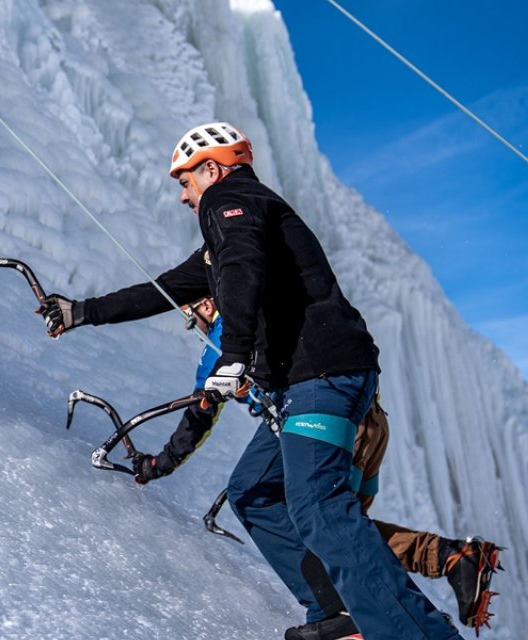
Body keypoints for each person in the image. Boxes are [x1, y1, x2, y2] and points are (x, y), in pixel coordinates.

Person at [38, 122, 461, 639]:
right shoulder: (234, 228)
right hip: (305, 383)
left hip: (321, 373)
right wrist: (82, 311)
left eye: (185, 181)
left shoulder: (232, 201)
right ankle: (336, 612)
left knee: (319, 506)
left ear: (212, 169)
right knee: (252, 492)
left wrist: (234, 354)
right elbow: (164, 289)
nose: (182, 196)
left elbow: (243, 266)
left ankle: (414, 634)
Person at [130, 297, 502, 639]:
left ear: (206, 304)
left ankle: (398, 615)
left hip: (335, 422)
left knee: (327, 530)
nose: (191, 323)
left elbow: (201, 411)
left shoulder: (228, 331)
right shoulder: (262, 315)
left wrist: (160, 464)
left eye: (189, 314)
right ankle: (441, 570)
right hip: (366, 421)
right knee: (339, 531)